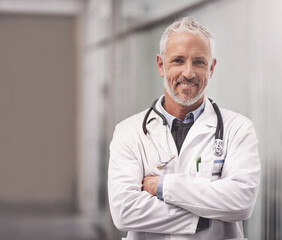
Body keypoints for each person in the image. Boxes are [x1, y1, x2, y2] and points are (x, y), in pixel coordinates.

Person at [108, 16, 260, 240]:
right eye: (178, 60)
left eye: (199, 62)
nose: (188, 73)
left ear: (212, 67)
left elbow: (242, 203)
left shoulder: (238, 129)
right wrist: (206, 216)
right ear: (161, 65)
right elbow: (124, 212)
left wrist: (162, 186)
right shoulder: (128, 132)